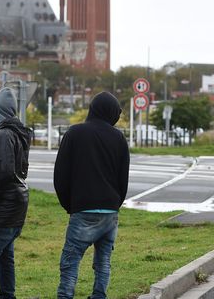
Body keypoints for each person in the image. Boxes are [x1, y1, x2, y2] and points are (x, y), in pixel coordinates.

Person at [53, 91, 130, 299]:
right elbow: (123, 179)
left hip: (83, 208)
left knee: (71, 260)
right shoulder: (118, 138)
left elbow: (60, 175)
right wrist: (115, 203)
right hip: (110, 210)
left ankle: (65, 296)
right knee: (103, 261)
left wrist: (69, 205)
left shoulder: (75, 133)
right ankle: (99, 295)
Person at [0, 87, 31, 299]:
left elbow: (2, 171)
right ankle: (8, 294)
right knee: (6, 254)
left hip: (5, 203)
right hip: (18, 201)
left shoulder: (3, 134)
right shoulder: (20, 132)